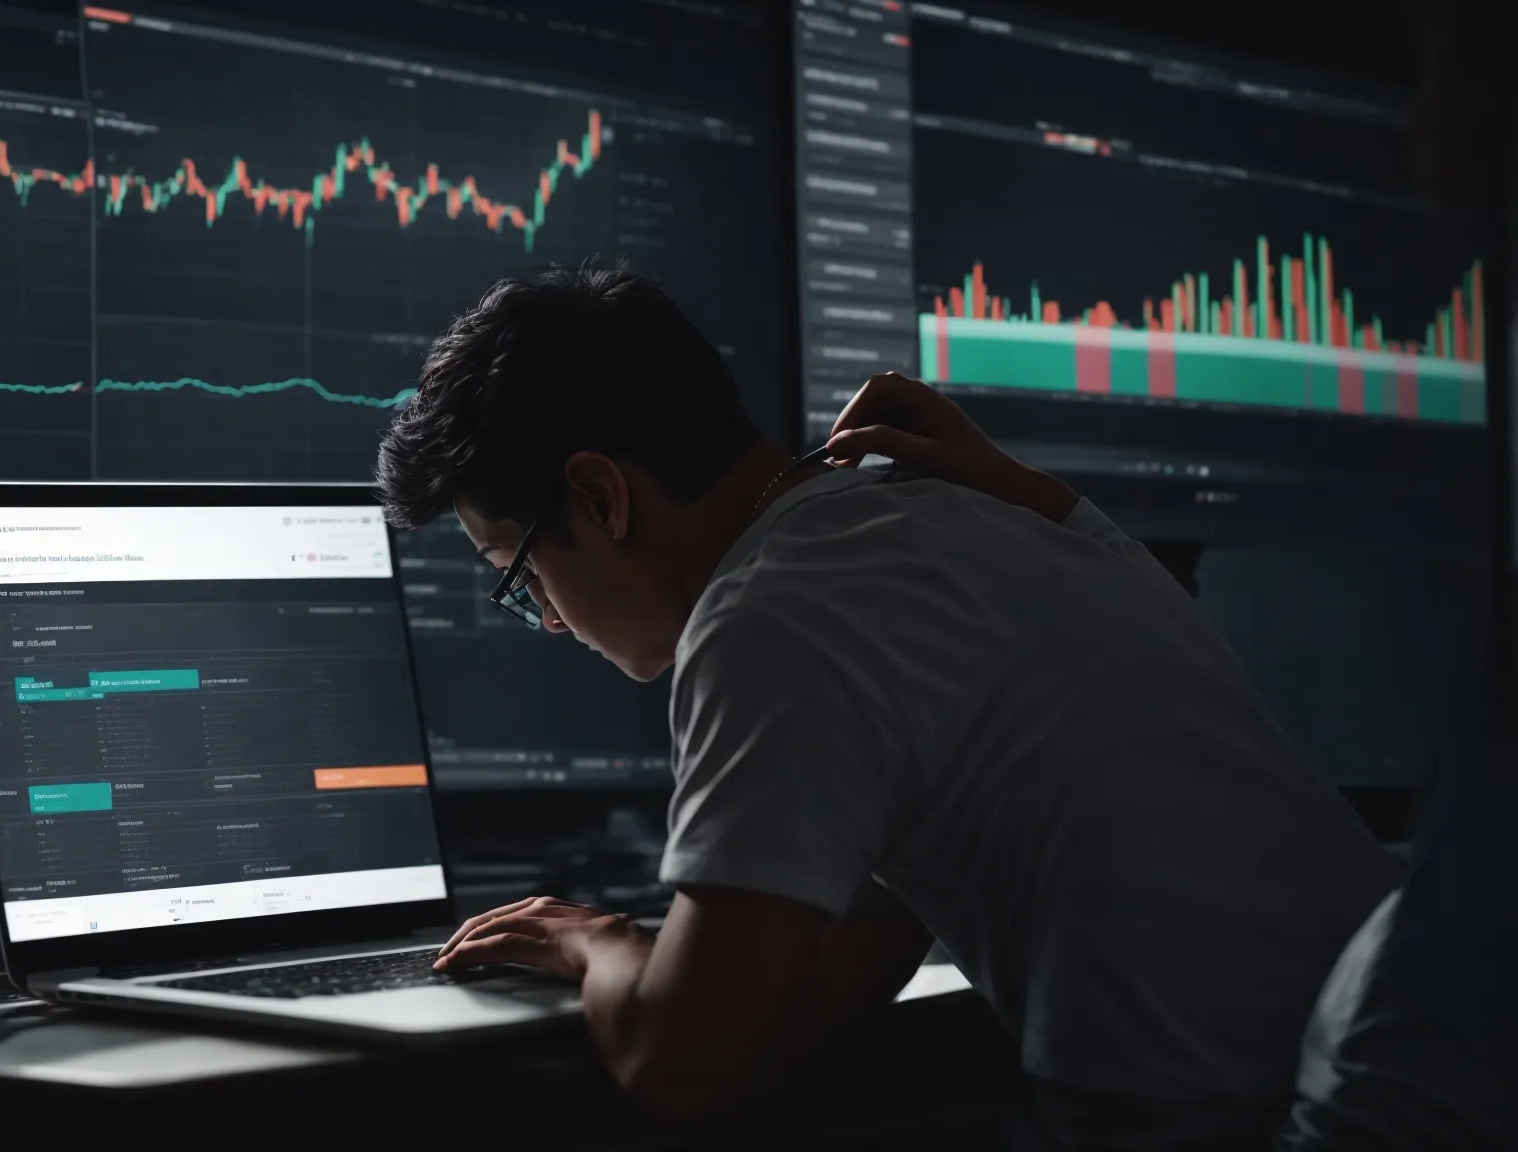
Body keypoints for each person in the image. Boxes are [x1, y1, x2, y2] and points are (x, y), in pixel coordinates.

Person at [376, 261, 1403, 1146]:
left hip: (1211, 1118)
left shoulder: (765, 616)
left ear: (601, 498)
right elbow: (837, 978)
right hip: (1391, 1063)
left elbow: (677, 1069)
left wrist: (591, 939)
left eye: (520, 579)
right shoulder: (957, 518)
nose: (548, 622)